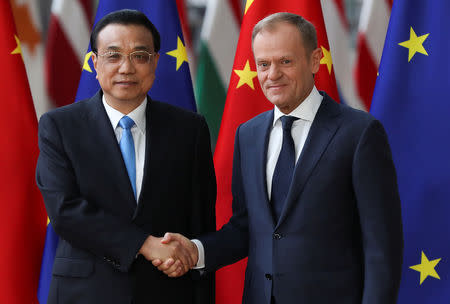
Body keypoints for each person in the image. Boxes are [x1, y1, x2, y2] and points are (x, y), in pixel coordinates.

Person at [159, 12, 403, 304]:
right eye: (263, 64)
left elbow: (382, 247)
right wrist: (195, 251)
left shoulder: (359, 133)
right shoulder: (248, 135)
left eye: (285, 61)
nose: (272, 74)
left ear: (314, 61)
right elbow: (246, 227)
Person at [36, 9, 215, 304]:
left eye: (140, 56)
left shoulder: (189, 129)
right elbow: (64, 210)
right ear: (95, 63)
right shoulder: (60, 126)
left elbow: (200, 222)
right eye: (113, 55)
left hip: (168, 292)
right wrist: (143, 244)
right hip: (85, 293)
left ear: (156, 62)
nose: (126, 68)